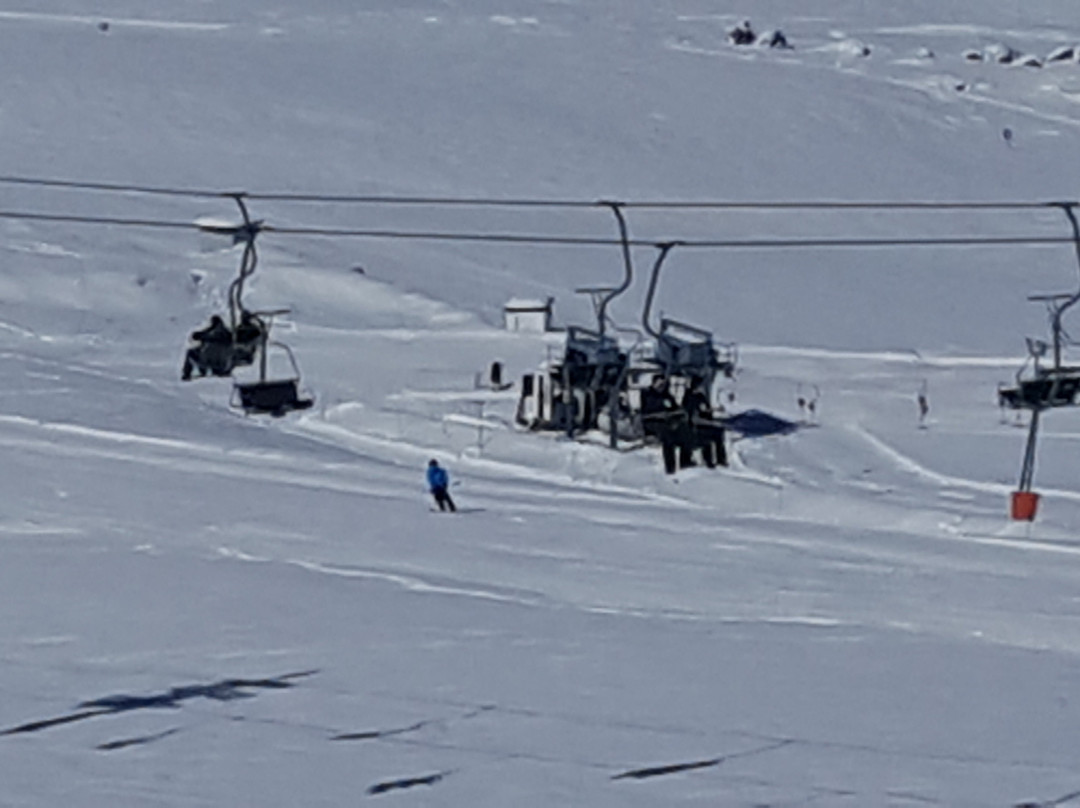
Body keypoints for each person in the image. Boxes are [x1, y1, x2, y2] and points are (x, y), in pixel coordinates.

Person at [181, 314, 232, 381]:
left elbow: (197, 336)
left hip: (207, 362)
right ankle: (215, 372)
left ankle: (187, 374)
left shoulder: (209, 334)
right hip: (222, 364)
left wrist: (199, 335)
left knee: (192, 352)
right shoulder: (228, 335)